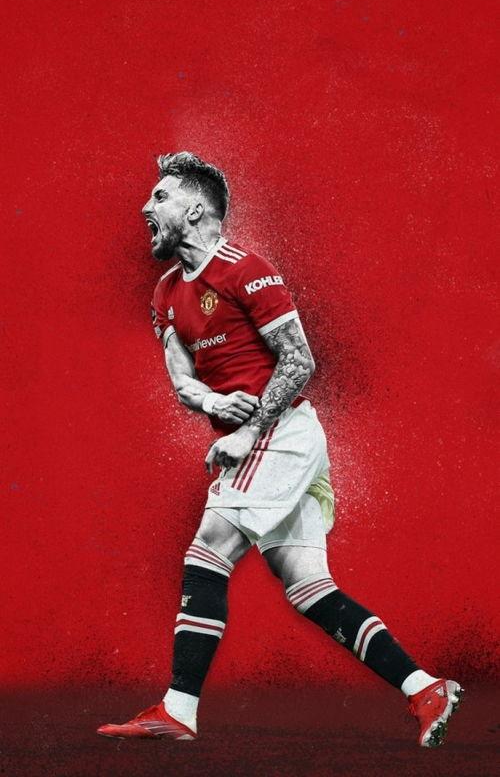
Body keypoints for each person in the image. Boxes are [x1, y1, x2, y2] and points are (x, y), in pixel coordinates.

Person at [98, 152, 463, 747]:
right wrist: (214, 403)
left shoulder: (246, 269)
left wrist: (247, 430)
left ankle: (179, 709)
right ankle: (426, 689)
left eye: (160, 197)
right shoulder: (165, 293)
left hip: (280, 432)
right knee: (308, 587)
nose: (146, 206)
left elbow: (299, 360)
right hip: (268, 438)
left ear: (197, 209)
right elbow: (182, 379)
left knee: (208, 551)